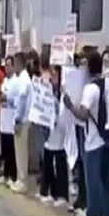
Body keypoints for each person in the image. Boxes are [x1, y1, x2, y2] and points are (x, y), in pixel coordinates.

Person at [64, 51, 109, 216]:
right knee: (108, 183)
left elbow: (84, 114)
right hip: (108, 139)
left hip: (94, 140)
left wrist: (70, 105)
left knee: (93, 182)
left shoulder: (90, 89)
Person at [40, 65, 70, 207]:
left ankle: (62, 194)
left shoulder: (63, 92)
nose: (53, 78)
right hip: (49, 129)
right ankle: (50, 192)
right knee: (48, 159)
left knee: (59, 161)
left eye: (55, 75)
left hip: (61, 129)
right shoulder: (49, 90)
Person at [10, 53, 32, 193]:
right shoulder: (22, 79)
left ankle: (22, 180)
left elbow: (22, 100)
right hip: (21, 118)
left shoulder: (24, 79)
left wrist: (17, 119)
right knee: (19, 150)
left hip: (22, 119)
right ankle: (20, 178)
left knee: (21, 151)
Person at [0, 56, 17, 186]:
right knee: (5, 148)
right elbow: (0, 95)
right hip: (3, 119)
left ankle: (12, 175)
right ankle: (5, 173)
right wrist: (2, 97)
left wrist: (5, 97)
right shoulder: (4, 80)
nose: (7, 68)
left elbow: (12, 98)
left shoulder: (16, 82)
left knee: (11, 149)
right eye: (6, 65)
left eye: (9, 65)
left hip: (11, 120)